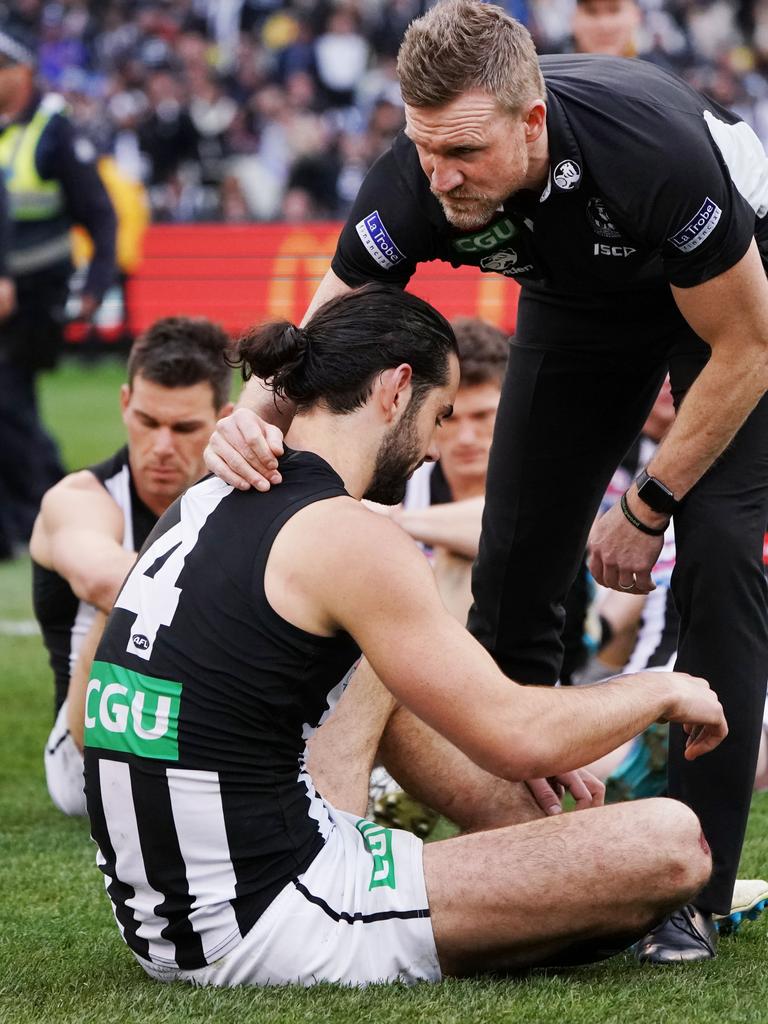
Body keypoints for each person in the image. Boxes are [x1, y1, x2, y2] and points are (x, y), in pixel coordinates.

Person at [206, 0, 768, 963]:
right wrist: (248, 421)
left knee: (717, 545)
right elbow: (325, 338)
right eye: (426, 149)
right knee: (515, 558)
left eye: (464, 151)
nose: (441, 176)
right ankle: (530, 850)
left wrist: (647, 504)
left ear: (532, 121)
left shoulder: (650, 153)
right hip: (576, 301)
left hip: (728, 305)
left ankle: (697, 890)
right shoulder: (415, 178)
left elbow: (750, 344)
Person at [84, 283, 725, 988]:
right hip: (265, 919)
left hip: (169, 911)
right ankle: (529, 876)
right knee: (672, 843)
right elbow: (517, 733)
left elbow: (484, 713)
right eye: (441, 413)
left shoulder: (208, 494)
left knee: (378, 666)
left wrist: (531, 735)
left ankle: (515, 852)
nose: (434, 446)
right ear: (395, 390)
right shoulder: (348, 533)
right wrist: (666, 687)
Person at [32, 316, 233, 817]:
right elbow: (103, 578)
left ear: (224, 418)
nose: (162, 447)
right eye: (148, 422)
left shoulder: (241, 497)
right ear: (125, 404)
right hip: (84, 753)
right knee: (128, 587)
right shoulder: (80, 497)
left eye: (185, 428)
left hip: (202, 724)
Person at [0, 25, 117, 560]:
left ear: (24, 72)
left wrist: (94, 286)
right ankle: (40, 506)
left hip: (34, 296)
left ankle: (38, 511)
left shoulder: (55, 131)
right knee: (11, 404)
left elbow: (99, 215)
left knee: (10, 397)